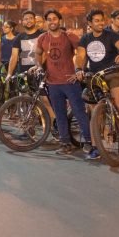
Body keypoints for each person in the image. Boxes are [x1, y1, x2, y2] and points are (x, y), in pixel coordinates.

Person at [34, 9, 93, 157]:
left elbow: (81, 53)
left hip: (70, 81)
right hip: (52, 83)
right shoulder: (42, 38)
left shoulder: (69, 36)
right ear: (46, 21)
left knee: (80, 113)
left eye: (54, 19)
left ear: (59, 20)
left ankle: (88, 142)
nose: (52, 21)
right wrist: (40, 67)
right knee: (59, 115)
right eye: (49, 19)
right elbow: (38, 53)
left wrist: (79, 70)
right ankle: (65, 143)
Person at [76, 9, 119, 149]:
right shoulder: (85, 39)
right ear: (90, 23)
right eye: (96, 21)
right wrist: (79, 69)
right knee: (94, 113)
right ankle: (95, 146)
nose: (100, 23)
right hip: (95, 76)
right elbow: (80, 57)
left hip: (111, 73)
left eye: (102, 20)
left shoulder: (111, 35)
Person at [8, 10, 45, 77]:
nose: (28, 21)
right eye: (26, 19)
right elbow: (14, 57)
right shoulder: (18, 37)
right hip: (23, 74)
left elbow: (46, 54)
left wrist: (37, 66)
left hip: (40, 74)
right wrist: (9, 74)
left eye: (31, 18)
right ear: (23, 22)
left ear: (35, 20)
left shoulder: (43, 35)